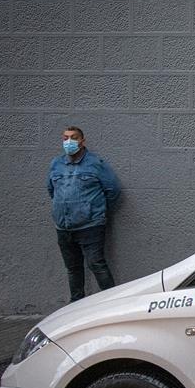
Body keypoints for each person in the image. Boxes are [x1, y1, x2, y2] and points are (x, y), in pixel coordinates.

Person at [47, 126, 121, 302]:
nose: (68, 142)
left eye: (73, 138)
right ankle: (76, 306)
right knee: (73, 269)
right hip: (63, 226)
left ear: (82, 141)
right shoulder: (56, 164)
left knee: (97, 264)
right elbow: (52, 190)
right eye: (65, 138)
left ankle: (113, 304)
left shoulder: (95, 163)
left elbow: (113, 190)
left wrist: (95, 211)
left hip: (90, 226)